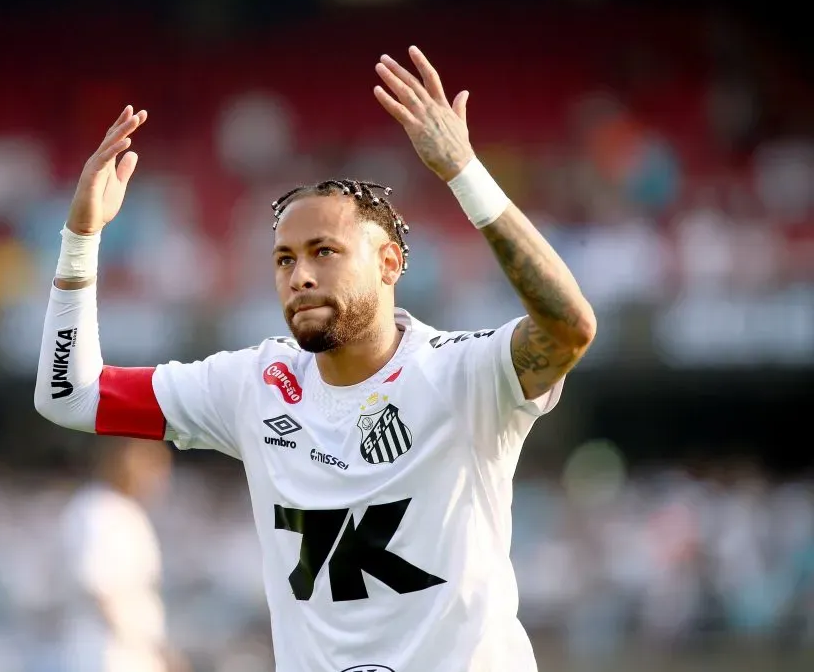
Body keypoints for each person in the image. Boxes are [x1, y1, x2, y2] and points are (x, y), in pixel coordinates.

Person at [35, 46, 596, 672]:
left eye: (324, 251)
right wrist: (81, 240)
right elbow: (71, 395)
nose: (299, 276)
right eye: (283, 259)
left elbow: (569, 327)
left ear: (389, 264)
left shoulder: (464, 374)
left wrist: (465, 172)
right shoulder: (254, 384)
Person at [59, 437, 186, 672]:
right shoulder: (99, 511)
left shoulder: (125, 511)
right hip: (107, 653)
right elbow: (103, 590)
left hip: (130, 654)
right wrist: (154, 649)